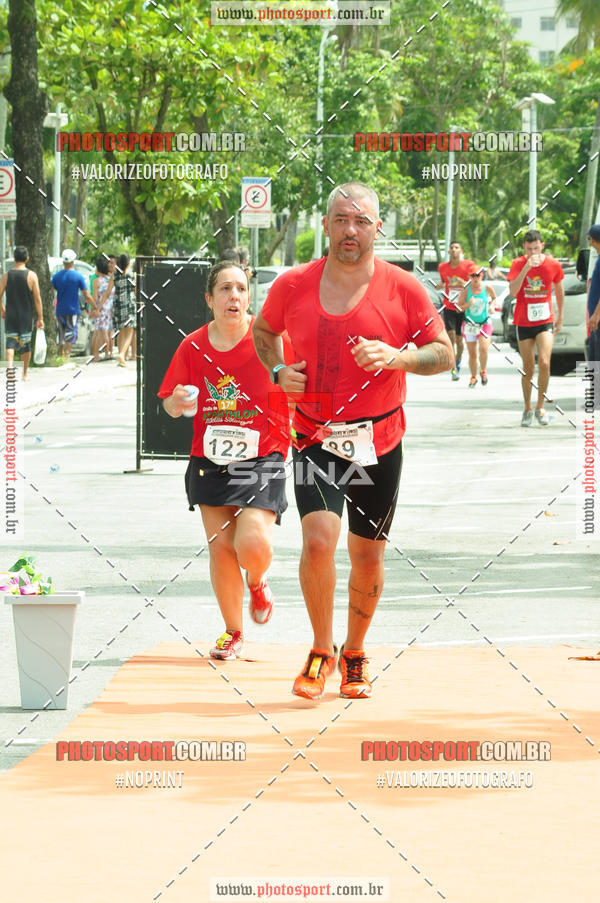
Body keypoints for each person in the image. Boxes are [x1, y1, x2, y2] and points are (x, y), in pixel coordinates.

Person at [253, 181, 453, 701]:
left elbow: (444, 353)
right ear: (325, 225)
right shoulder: (293, 284)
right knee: (318, 542)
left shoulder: (403, 288)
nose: (350, 230)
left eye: (362, 221)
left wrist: (398, 357)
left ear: (377, 229)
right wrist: (277, 369)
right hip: (315, 437)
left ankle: (356, 653)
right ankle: (321, 649)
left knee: (367, 556)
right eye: (342, 219)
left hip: (380, 440)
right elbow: (262, 331)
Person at [158, 261, 292, 661]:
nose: (234, 296)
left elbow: (299, 377)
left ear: (248, 298)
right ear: (209, 299)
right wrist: (176, 402)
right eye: (225, 289)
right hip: (210, 459)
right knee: (220, 549)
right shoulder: (193, 346)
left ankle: (258, 580)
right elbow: (168, 401)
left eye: (241, 289)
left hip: (263, 453)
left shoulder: (268, 340)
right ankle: (233, 632)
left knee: (250, 543)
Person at [508, 230, 564, 426]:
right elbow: (513, 292)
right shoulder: (517, 264)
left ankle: (540, 405)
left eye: (536, 248)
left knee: (545, 363)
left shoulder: (553, 264)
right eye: (529, 248)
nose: (533, 252)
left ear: (542, 245)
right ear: (524, 247)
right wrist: (525, 268)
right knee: (528, 368)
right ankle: (527, 407)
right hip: (524, 321)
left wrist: (560, 316)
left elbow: (558, 289)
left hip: (545, 320)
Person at [0, 246, 44, 380]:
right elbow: (37, 298)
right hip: (26, 315)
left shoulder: (7, 275)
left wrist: (2, 310)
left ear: (14, 258)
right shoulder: (32, 276)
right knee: (26, 344)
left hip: (11, 315)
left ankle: (10, 369)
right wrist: (40, 317)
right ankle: (24, 374)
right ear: (27, 259)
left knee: (10, 343)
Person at [436, 240, 475, 380]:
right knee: (451, 337)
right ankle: (453, 367)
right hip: (449, 306)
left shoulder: (468, 266)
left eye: (456, 247)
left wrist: (462, 282)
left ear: (461, 251)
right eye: (451, 248)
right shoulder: (442, 267)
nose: (453, 250)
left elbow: (473, 285)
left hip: (462, 307)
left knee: (459, 341)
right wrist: (438, 285)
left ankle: (457, 361)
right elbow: (442, 282)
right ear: (448, 251)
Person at [457, 264, 496, 386]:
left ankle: (483, 370)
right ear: (469, 276)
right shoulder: (465, 290)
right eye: (473, 275)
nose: (475, 278)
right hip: (470, 325)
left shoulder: (487, 287)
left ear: (482, 275)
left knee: (484, 348)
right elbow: (458, 308)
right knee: (472, 353)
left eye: (478, 275)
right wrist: (468, 305)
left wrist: (492, 306)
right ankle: (473, 377)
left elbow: (494, 298)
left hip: (484, 323)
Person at [51, 249, 92, 360]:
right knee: (70, 333)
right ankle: (66, 356)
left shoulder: (56, 277)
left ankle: (60, 356)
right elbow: (86, 294)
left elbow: (53, 289)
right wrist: (95, 306)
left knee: (60, 333)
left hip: (59, 310)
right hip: (73, 309)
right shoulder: (78, 277)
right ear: (73, 262)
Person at [101, 253, 135, 366]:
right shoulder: (132, 276)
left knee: (120, 332)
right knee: (129, 332)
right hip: (129, 305)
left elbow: (107, 293)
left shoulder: (114, 276)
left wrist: (99, 307)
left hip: (118, 305)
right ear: (128, 264)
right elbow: (136, 292)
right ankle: (122, 354)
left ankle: (122, 357)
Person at [90, 257, 112, 362]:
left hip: (99, 308)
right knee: (107, 332)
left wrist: (94, 308)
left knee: (98, 333)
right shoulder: (111, 280)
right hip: (109, 309)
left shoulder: (96, 281)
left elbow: (94, 297)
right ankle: (108, 353)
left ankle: (96, 355)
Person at [586, 224, 600, 362]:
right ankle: (595, 384)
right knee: (594, 359)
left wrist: (596, 315)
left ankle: (596, 384)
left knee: (597, 359)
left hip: (598, 317)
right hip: (596, 318)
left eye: (590, 239)